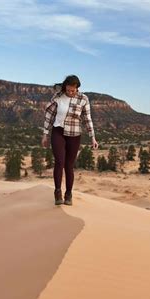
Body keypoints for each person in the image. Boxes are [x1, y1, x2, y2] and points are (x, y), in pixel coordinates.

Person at [41, 75, 99, 205]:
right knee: (59, 162)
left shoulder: (83, 99)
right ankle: (57, 193)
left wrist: (93, 138)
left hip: (74, 134)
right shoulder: (58, 96)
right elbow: (49, 116)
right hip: (58, 131)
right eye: (68, 90)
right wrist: (45, 134)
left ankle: (68, 194)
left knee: (69, 165)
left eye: (73, 91)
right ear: (65, 87)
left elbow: (87, 119)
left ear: (77, 88)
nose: (70, 93)